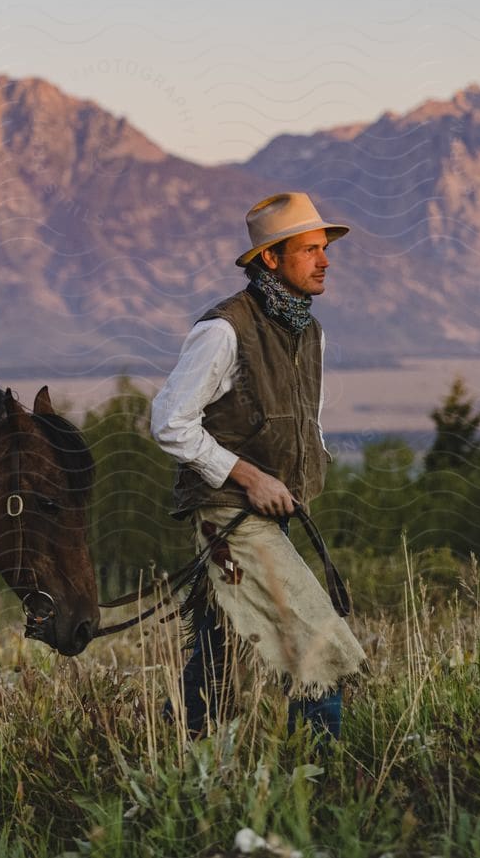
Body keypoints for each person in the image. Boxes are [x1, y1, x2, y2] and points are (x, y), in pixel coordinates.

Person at [151, 192, 367, 740]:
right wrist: (250, 476)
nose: (324, 261)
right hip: (228, 515)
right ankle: (321, 782)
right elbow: (170, 422)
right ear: (269, 258)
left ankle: (187, 759)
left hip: (273, 514)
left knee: (217, 645)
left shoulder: (308, 332)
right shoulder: (224, 329)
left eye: (324, 249)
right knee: (320, 648)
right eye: (309, 250)